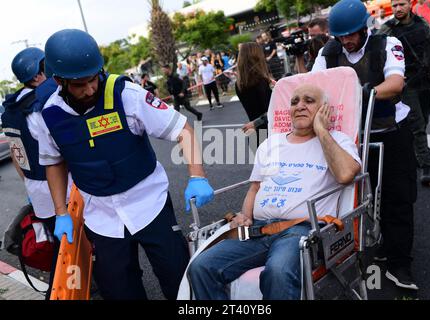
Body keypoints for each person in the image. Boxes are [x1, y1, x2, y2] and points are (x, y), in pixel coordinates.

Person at [34, 29, 214, 300]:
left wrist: (197, 176)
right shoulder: (50, 115)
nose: (90, 88)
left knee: (178, 278)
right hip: (101, 215)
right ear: (59, 80)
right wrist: (61, 213)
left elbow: (182, 129)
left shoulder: (128, 95)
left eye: (93, 79)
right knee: (119, 291)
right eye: (80, 84)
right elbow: (54, 163)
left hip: (149, 203)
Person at [188, 83, 361, 300]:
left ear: (325, 110)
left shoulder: (338, 141)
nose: (300, 106)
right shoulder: (271, 144)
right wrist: (245, 216)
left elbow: (346, 175)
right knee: (201, 267)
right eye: (294, 101)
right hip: (259, 230)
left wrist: (322, 131)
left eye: (309, 101)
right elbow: (255, 188)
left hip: (302, 231)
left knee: (277, 272)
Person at [313, 0, 419, 290]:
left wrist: (359, 92)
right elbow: (312, 86)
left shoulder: (388, 43)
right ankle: (360, 250)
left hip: (389, 131)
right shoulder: (328, 52)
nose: (346, 40)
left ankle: (400, 264)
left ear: (365, 27)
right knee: (349, 198)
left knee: (397, 197)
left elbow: (395, 83)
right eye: (341, 35)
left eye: (352, 34)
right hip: (348, 138)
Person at [1, 47, 70, 299]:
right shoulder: (43, 103)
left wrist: (31, 187)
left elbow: (17, 155)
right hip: (61, 185)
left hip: (36, 186)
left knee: (60, 245)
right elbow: (61, 150)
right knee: (77, 243)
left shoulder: (11, 108)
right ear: (37, 73)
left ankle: (62, 288)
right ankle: (65, 289)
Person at [378, 0, 430, 186]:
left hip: (425, 80)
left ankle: (419, 157)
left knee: (423, 120)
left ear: (410, 5)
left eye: (401, 4)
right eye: (394, 6)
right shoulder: (387, 29)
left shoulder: (421, 23)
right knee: (417, 124)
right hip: (405, 84)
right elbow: (377, 51)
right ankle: (426, 166)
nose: (398, 9)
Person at [235, 42, 273, 146]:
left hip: (255, 134)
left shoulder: (239, 83)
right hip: (270, 132)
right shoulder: (261, 81)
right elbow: (272, 111)